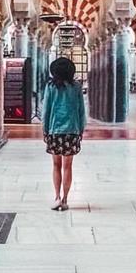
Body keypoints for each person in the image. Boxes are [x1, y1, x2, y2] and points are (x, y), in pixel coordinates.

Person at [41, 56, 86, 211]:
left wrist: (44, 129)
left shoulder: (51, 87)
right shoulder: (76, 87)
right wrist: (81, 128)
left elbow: (45, 109)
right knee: (68, 166)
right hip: (72, 131)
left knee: (55, 164)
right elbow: (81, 110)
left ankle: (57, 197)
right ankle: (65, 200)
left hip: (54, 130)